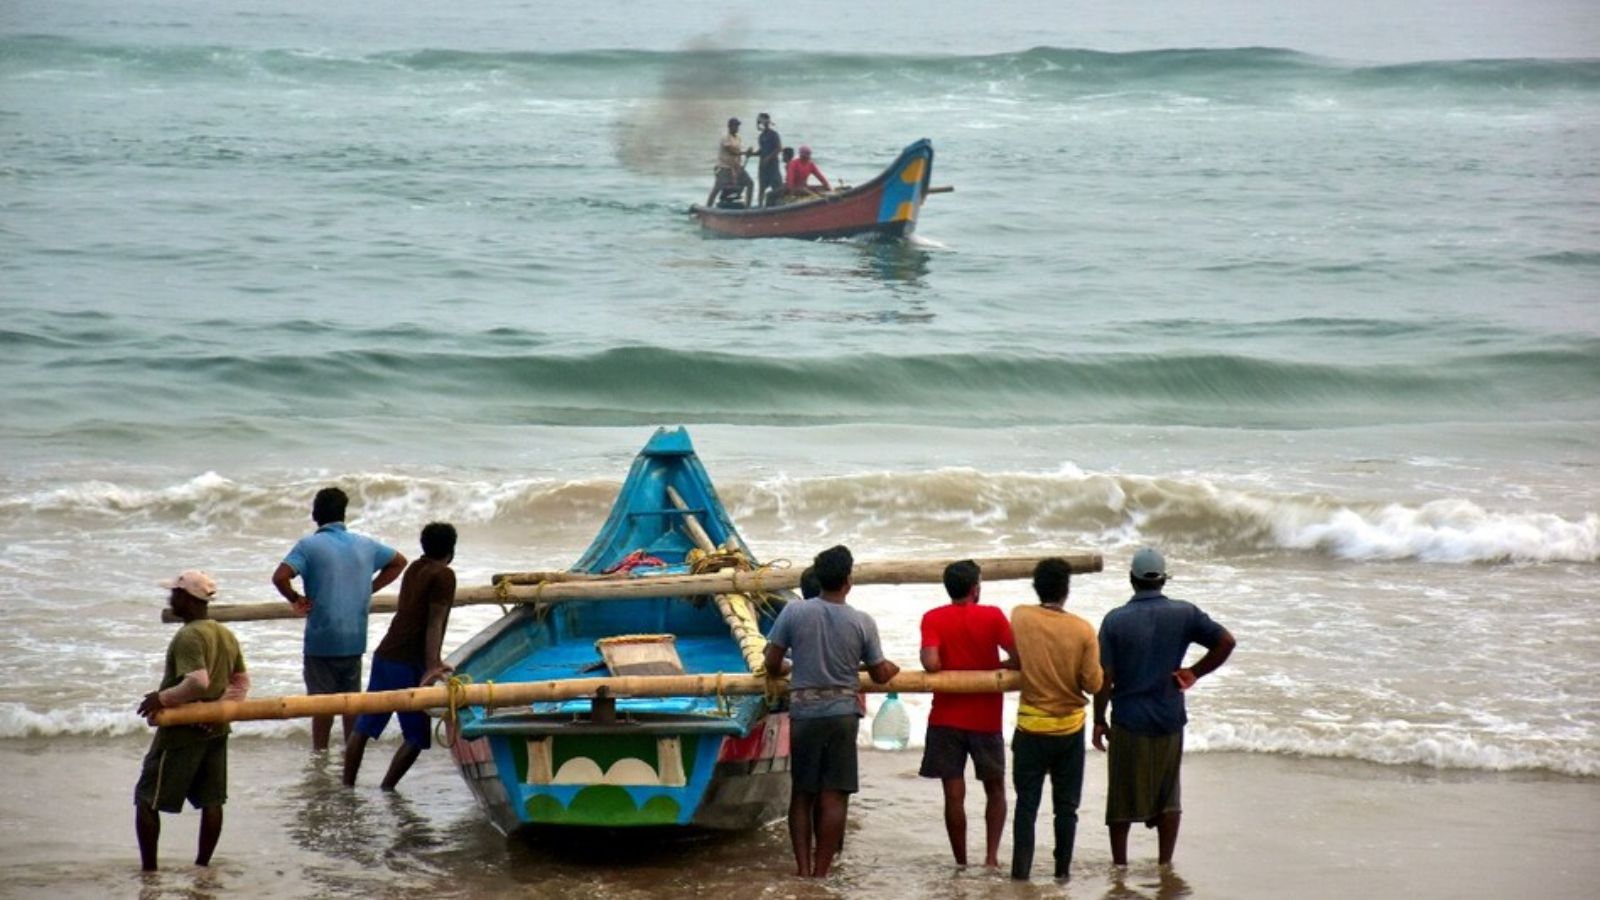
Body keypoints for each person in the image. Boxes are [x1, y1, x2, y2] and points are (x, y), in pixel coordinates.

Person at [1093, 548, 1236, 867]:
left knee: (1121, 797)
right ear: (1162, 581)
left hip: (1128, 719)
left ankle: (1120, 865)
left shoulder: (1115, 620)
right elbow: (1226, 641)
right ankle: (1164, 863)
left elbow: (1105, 676)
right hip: (1169, 717)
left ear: (1132, 580)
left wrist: (1099, 720)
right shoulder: (1185, 613)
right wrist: (1194, 672)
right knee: (1168, 795)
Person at [763, 545, 900, 878]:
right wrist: (892, 668)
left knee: (803, 794)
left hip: (804, 712)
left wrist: (787, 669)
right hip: (842, 714)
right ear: (848, 580)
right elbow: (880, 672)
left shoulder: (794, 612)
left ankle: (803, 869)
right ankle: (822, 873)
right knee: (834, 795)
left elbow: (771, 661)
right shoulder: (862, 621)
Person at [272, 487, 406, 751]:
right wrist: (369, 588)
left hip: (322, 638)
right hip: (354, 638)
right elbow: (399, 562)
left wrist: (296, 598)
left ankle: (320, 756)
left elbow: (280, 577)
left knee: (321, 706)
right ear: (344, 514)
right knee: (350, 704)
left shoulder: (308, 546)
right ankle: (350, 756)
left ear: (315, 515)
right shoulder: (366, 544)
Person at [134, 571, 250, 872]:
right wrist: (216, 713)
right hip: (216, 729)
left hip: (181, 731)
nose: (170, 598)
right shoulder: (224, 633)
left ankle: (149, 871)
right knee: (212, 800)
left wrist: (162, 698)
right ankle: (202, 868)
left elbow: (197, 682)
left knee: (147, 798)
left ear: (186, 598)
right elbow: (241, 683)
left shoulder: (188, 635)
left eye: (174, 593)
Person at [343, 521, 458, 790]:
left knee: (365, 725)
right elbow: (434, 621)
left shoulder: (415, 568)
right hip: (408, 663)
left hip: (386, 656)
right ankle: (387, 788)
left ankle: (347, 786)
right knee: (416, 736)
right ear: (451, 549)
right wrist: (433, 666)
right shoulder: (444, 575)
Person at [1008, 558, 1103, 882]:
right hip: (1069, 730)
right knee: (1066, 809)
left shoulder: (1020, 616)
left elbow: (1018, 655)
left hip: (1031, 726)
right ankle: (1062, 874)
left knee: (1026, 806)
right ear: (1066, 591)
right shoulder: (1083, 629)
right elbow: (1093, 684)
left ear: (1036, 587)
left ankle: (1020, 874)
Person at [918, 559, 1017, 868]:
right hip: (985, 717)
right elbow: (1020, 657)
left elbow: (931, 663)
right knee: (995, 788)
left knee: (953, 794)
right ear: (976, 588)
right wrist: (996, 668)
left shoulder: (933, 617)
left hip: (945, 716)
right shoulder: (993, 616)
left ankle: (960, 861)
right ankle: (990, 858)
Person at [707, 116, 754, 208]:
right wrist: (744, 153)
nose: (737, 128)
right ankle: (708, 207)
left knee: (750, 183)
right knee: (717, 188)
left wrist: (748, 153)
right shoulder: (725, 137)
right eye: (735, 126)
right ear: (730, 126)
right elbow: (731, 151)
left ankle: (748, 208)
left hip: (736, 167)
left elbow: (739, 152)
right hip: (724, 167)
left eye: (737, 126)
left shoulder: (738, 138)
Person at [754, 112, 783, 207]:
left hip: (773, 166)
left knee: (777, 188)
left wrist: (768, 158)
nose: (762, 125)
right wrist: (751, 154)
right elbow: (761, 151)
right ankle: (760, 208)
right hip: (763, 167)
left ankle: (778, 207)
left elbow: (779, 148)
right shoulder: (761, 136)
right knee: (761, 188)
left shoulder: (774, 134)